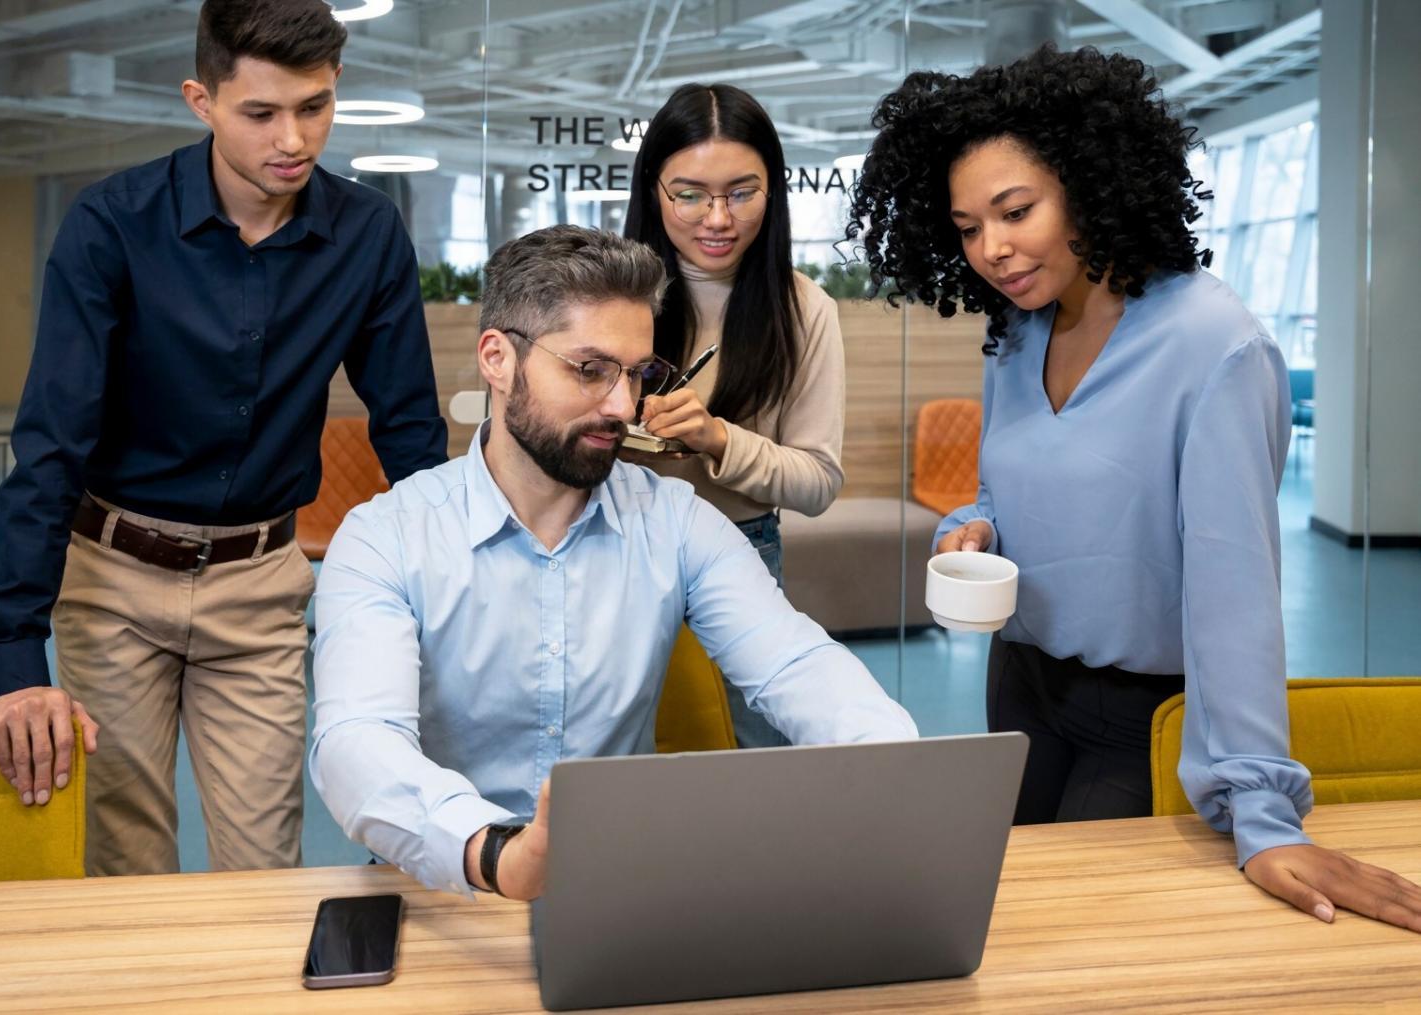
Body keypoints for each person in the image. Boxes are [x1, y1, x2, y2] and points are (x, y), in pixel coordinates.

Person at [848, 44, 1421, 932]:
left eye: (1015, 211)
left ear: (1088, 183)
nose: (991, 250)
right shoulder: (1016, 330)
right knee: (996, 927)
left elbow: (1233, 594)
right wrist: (972, 528)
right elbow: (1006, 492)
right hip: (1019, 684)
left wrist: (1261, 817)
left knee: (1082, 939)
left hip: (1138, 713)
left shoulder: (1213, 345)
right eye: (966, 227)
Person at [0, 0, 447, 876]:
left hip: (260, 585)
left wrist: (458, 595)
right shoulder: (112, 224)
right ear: (201, 99)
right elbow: (52, 443)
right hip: (111, 579)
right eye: (260, 112)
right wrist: (8, 652)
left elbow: (411, 433)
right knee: (124, 864)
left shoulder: (366, 233)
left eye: (314, 107)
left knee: (264, 868)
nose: (293, 139)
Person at [308, 225, 918, 899]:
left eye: (636, 374)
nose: (624, 407)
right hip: (444, 887)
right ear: (497, 359)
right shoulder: (386, 537)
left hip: (612, 892)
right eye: (589, 369)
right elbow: (356, 743)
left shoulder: (676, 522)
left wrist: (899, 770)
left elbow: (798, 665)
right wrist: (497, 854)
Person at [624, 83, 849, 749]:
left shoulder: (803, 309)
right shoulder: (604, 291)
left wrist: (715, 438)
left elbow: (817, 481)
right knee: (615, 753)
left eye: (741, 192)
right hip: (611, 544)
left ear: (772, 190)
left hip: (739, 550)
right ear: (653, 189)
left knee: (752, 757)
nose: (717, 217)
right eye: (689, 193)